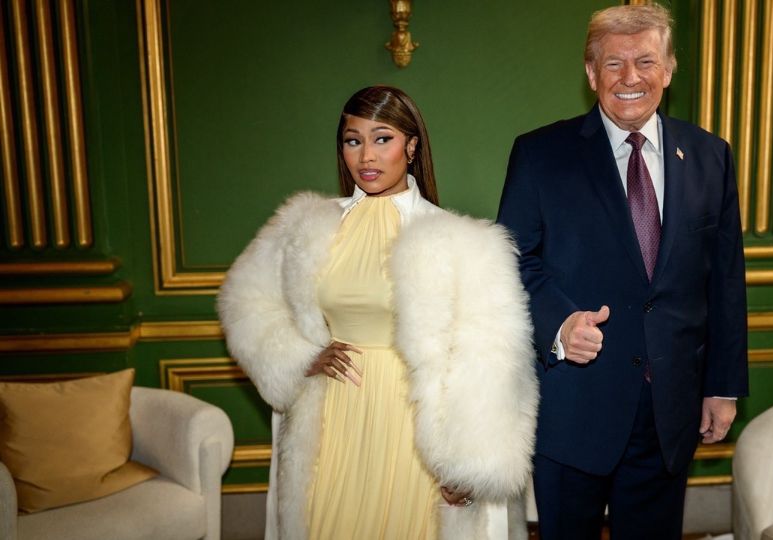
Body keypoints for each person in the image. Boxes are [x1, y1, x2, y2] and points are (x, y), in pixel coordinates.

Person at [217, 85, 537, 540]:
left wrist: (470, 464)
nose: (366, 155)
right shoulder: (306, 227)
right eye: (353, 140)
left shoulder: (463, 241)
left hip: (415, 430)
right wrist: (297, 355)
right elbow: (244, 303)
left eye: (382, 138)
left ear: (411, 146)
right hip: (333, 421)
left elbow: (492, 360)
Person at [496, 4, 748, 539]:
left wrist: (723, 387)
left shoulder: (711, 157)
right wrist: (561, 323)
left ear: (669, 69)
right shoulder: (540, 155)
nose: (630, 77)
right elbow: (512, 259)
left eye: (646, 61)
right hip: (575, 406)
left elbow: (725, 281)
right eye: (614, 63)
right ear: (592, 73)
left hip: (669, 411)